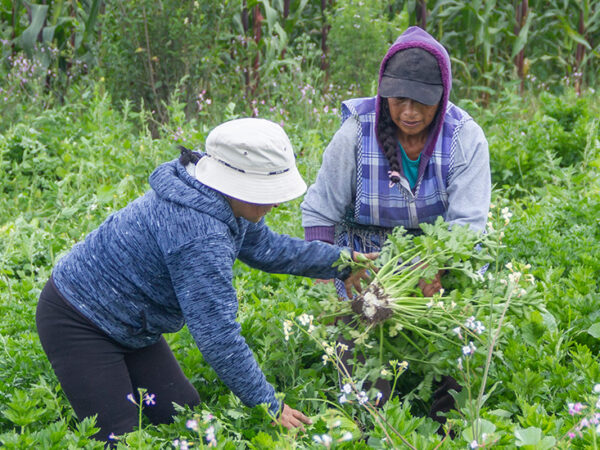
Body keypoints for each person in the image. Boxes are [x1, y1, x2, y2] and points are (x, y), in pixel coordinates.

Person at [36, 117, 374, 443]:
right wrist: (269, 405)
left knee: (185, 422)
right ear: (237, 183)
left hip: (135, 327)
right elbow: (218, 336)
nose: (274, 201)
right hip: (79, 320)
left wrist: (342, 262)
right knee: (123, 440)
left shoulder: (220, 199)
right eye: (267, 190)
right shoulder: (199, 234)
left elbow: (269, 248)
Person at [301, 26, 491, 426]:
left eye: (421, 101)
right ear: (383, 93)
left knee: (461, 354)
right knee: (364, 380)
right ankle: (371, 426)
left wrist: (435, 265)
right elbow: (320, 211)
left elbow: (469, 223)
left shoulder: (464, 138)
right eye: (398, 99)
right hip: (364, 265)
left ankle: (448, 429)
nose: (408, 111)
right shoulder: (356, 131)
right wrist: (332, 277)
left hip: (438, 262)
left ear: (441, 98)